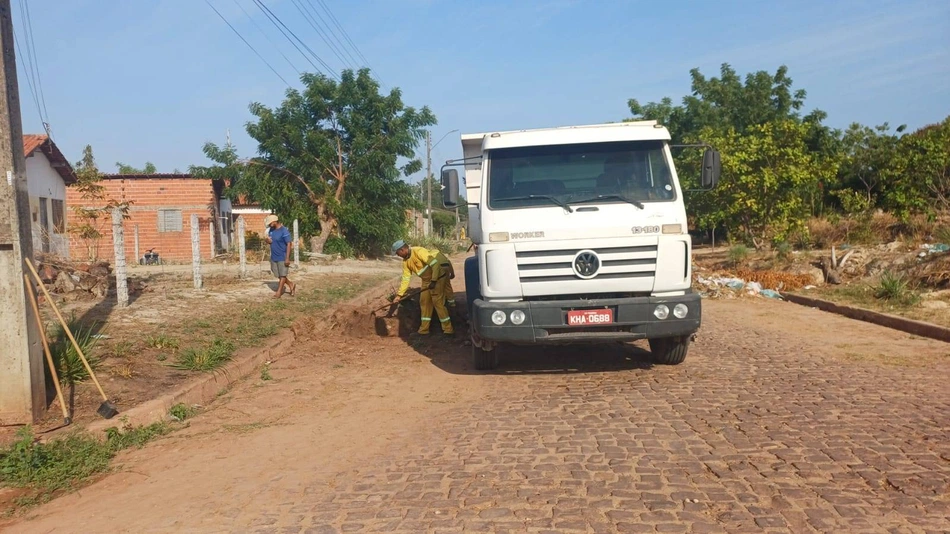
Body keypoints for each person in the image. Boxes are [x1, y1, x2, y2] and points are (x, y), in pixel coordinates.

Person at [392, 240, 454, 336]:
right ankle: (424, 330)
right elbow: (405, 279)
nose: (398, 255)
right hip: (426, 281)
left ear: (402, 249)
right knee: (424, 302)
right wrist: (399, 295)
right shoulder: (405, 262)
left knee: (438, 303)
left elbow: (435, 265)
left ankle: (448, 330)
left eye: (397, 253)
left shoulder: (419, 251)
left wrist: (433, 281)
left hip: (437, 278)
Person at [264, 214, 295, 298]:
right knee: (277, 274)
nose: (269, 225)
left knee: (283, 275)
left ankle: (279, 292)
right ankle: (291, 284)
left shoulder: (284, 231)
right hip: (274, 256)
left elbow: (289, 244)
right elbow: (269, 240)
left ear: (275, 221)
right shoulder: (271, 230)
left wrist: (287, 258)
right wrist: (267, 240)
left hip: (283, 256)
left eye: (270, 223)